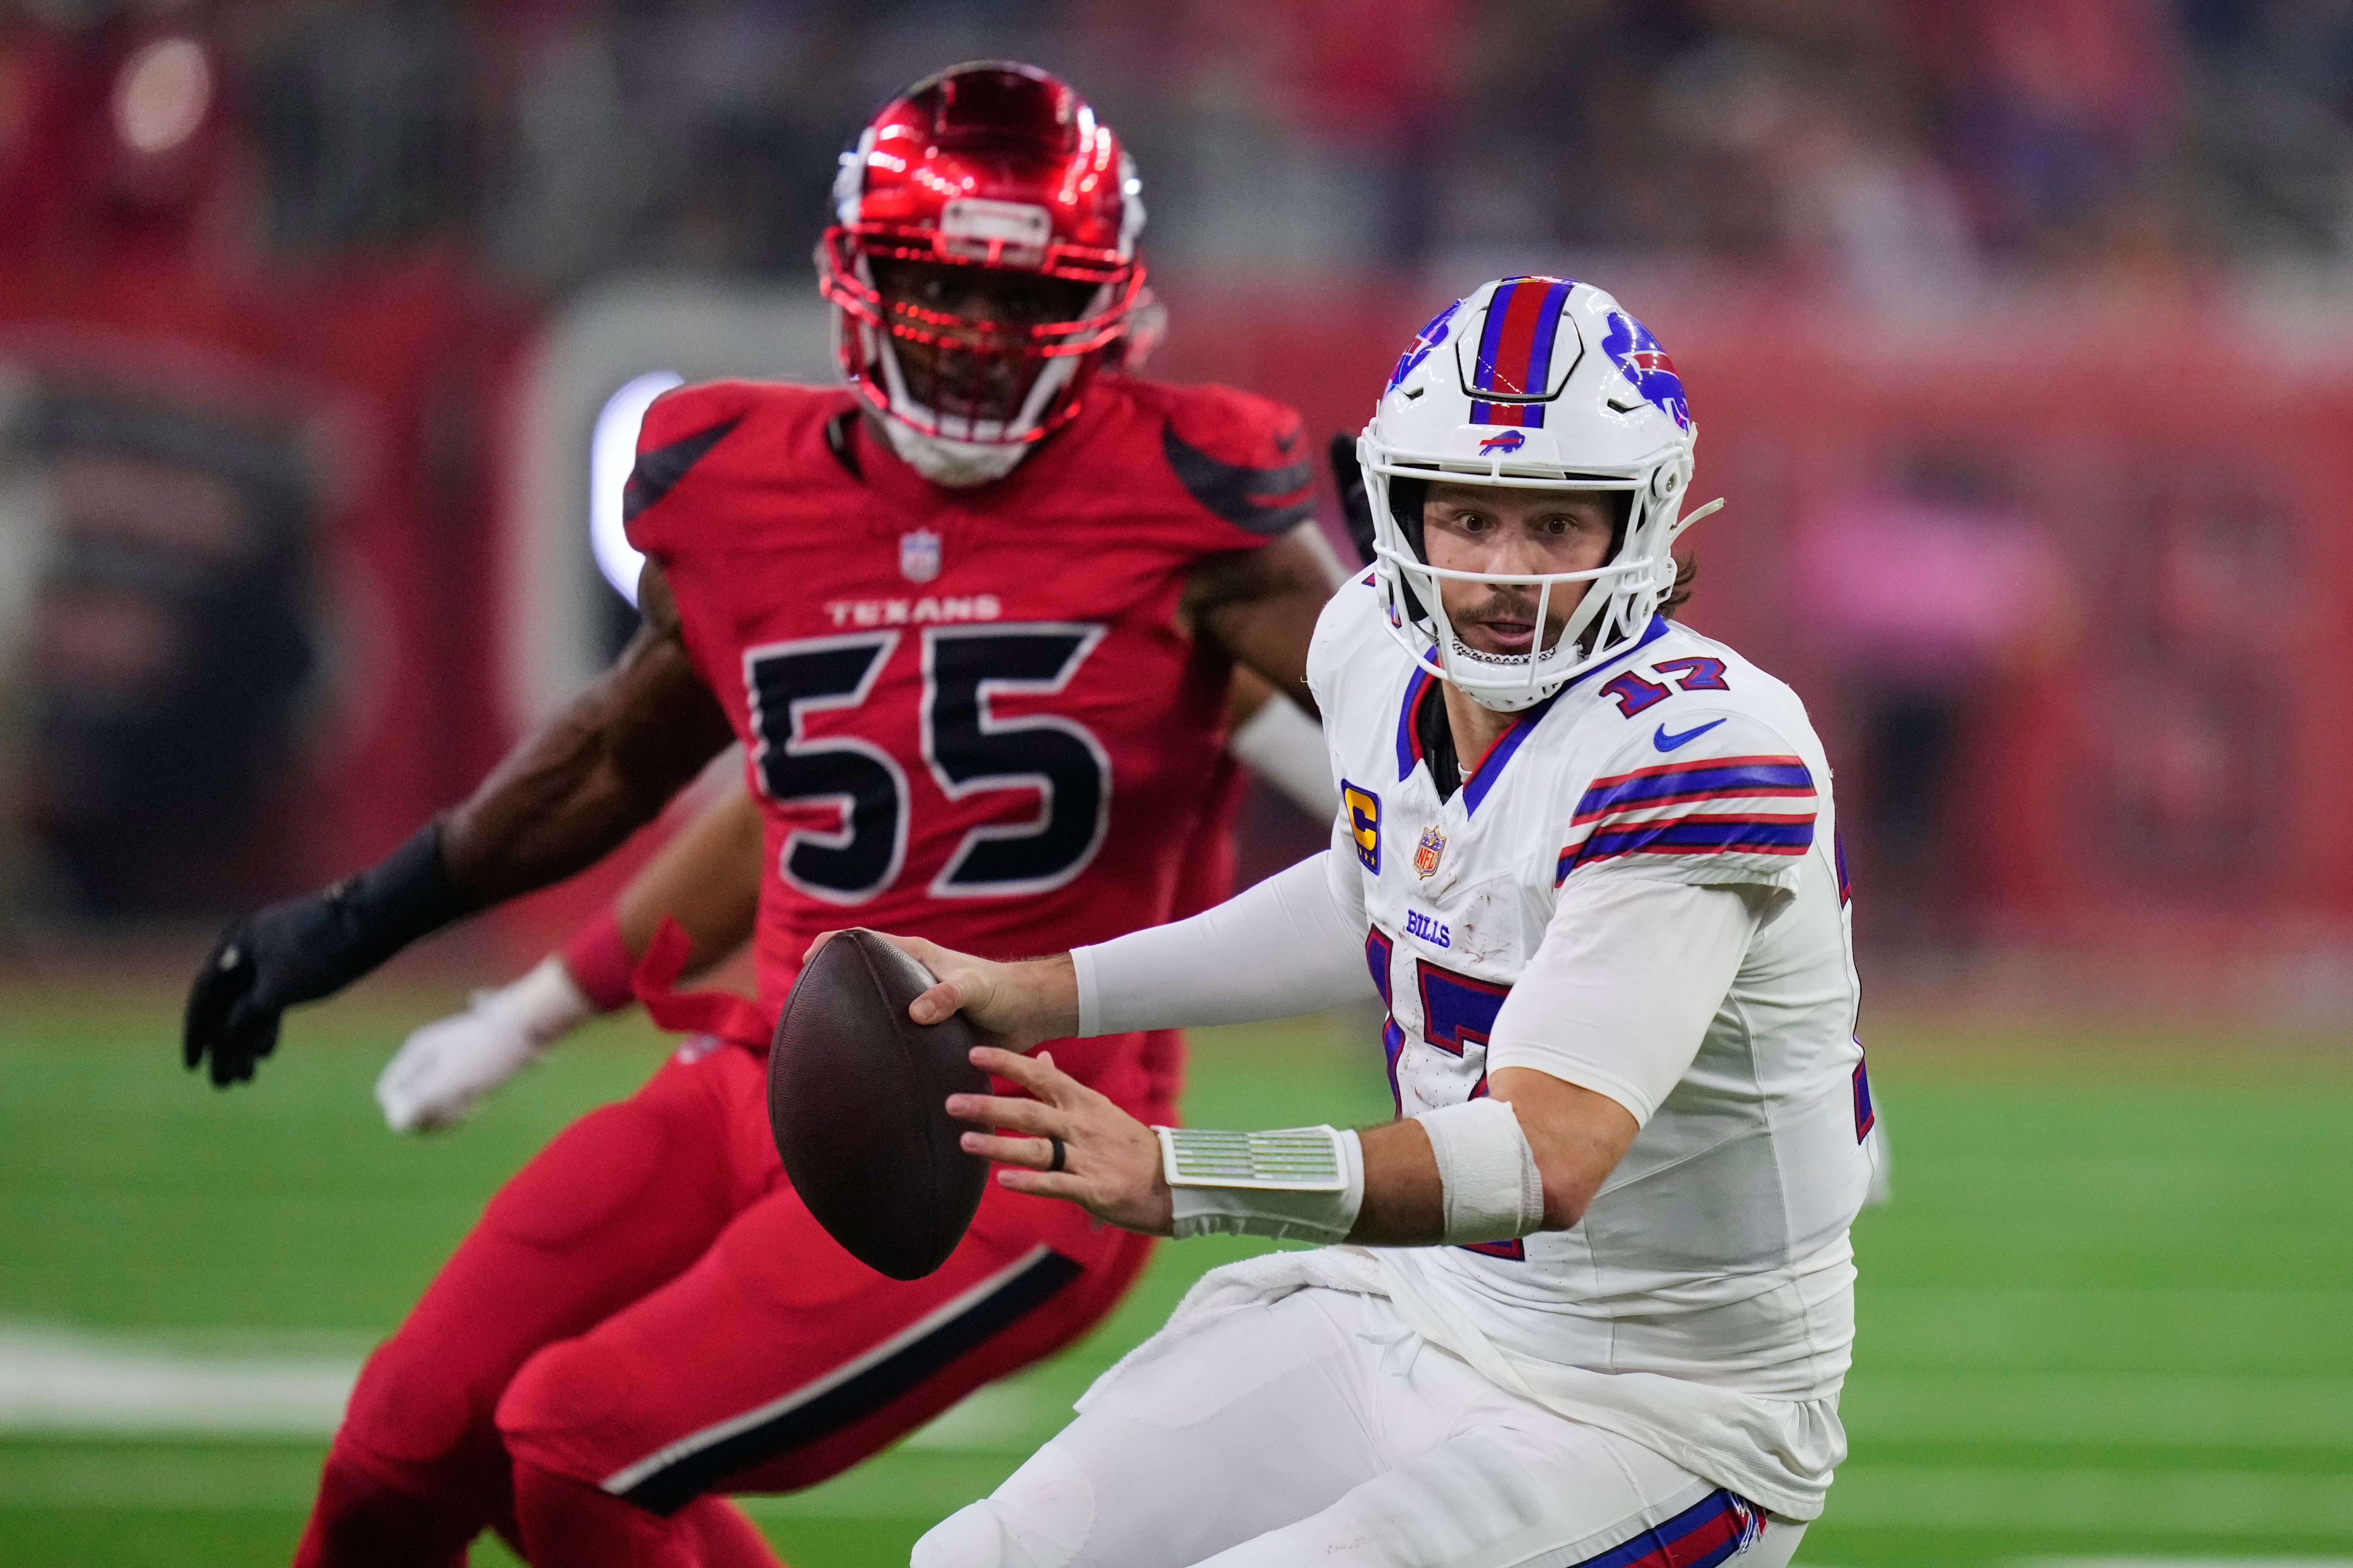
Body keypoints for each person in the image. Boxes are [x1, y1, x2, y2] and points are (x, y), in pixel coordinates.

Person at [180, 62, 1342, 1568]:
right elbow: (621, 761)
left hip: (1030, 1136)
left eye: (1025, 299)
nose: (984, 344)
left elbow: (1420, 745)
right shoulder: (737, 483)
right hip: (771, 1066)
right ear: (856, 277)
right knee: (409, 1431)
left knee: (580, 1448)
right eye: (944, 287)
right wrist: (357, 920)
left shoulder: (1186, 494)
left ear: (1109, 301)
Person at [872, 276, 1874, 1568]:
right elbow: (1372, 889)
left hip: (1648, 1409)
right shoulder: (1368, 649)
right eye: (1466, 516)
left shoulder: (1701, 749)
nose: (1503, 576)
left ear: (1641, 521)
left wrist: (1182, 1175)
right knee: (980, 1556)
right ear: (1399, 510)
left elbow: (1541, 1157)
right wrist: (1045, 990)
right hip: (1413, 1303)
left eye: (1555, 526)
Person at [374, 667, 1335, 1134]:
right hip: (801, 1052)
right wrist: (526, 1018)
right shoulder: (849, 554)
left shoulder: (1183, 575)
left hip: (1054, 1112)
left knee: (574, 1428)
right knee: (464, 1412)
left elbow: (1395, 824)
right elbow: (770, 817)